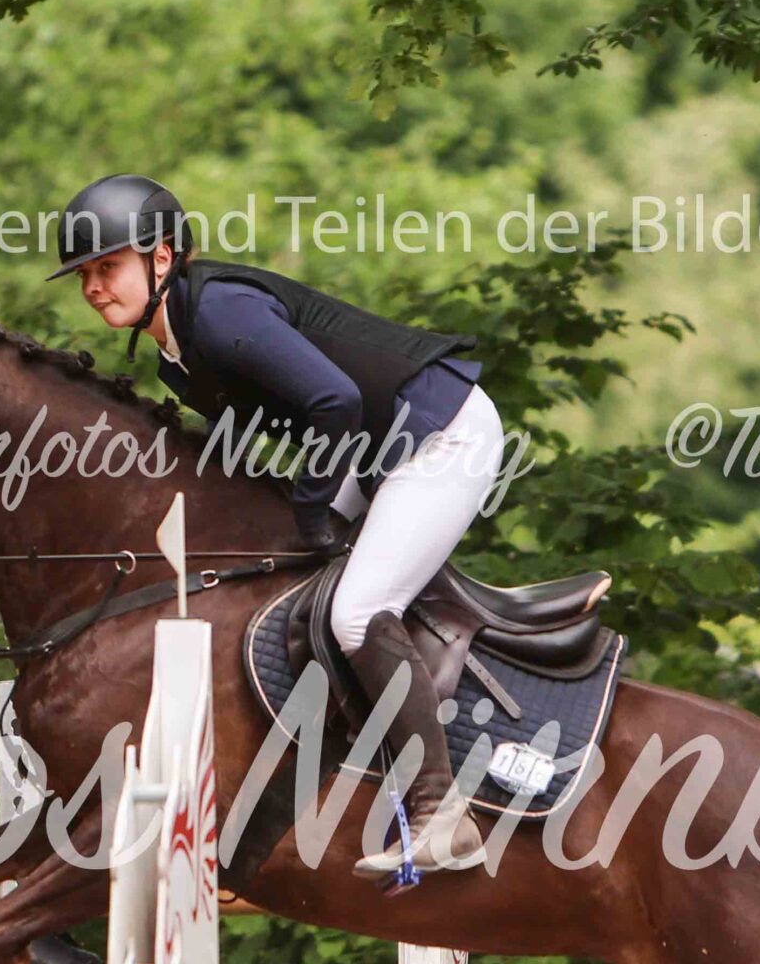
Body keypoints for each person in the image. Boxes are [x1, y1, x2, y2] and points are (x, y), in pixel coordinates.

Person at [49, 173, 506, 883]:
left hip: (443, 432)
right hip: (379, 445)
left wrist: (311, 512)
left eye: (107, 267)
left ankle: (442, 809)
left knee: (357, 612)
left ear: (161, 257)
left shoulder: (219, 313)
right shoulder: (177, 358)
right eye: (84, 275)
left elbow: (334, 401)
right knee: (288, 575)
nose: (93, 287)